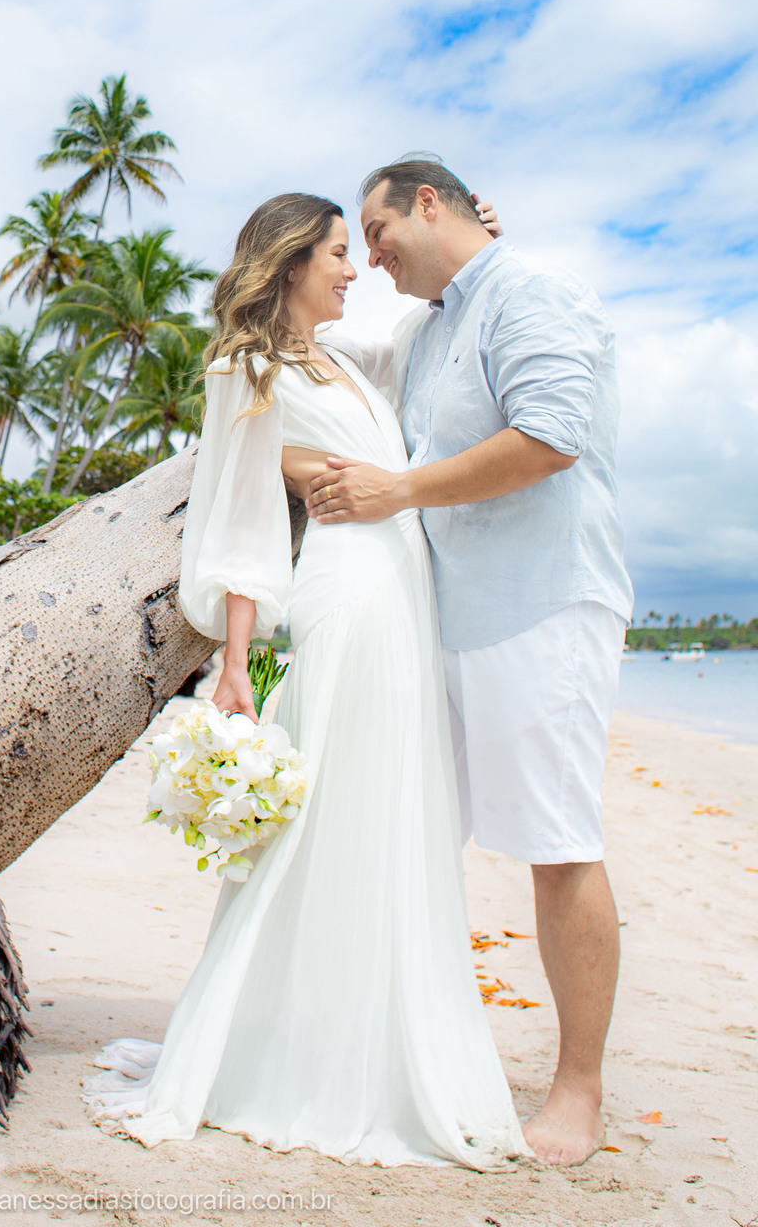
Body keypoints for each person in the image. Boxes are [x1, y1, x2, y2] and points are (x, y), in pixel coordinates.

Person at [84, 193, 528, 1167]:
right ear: (288, 263)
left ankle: (370, 1038)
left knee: (389, 816)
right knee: (331, 818)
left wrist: (476, 238)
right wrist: (236, 663)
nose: (353, 267)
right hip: (351, 596)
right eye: (336, 251)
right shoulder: (247, 365)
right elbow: (241, 514)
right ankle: (296, 1057)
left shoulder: (345, 360)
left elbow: (440, 320)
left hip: (405, 600)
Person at [306, 157, 632, 1169]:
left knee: (556, 840)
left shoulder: (533, 292)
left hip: (541, 605)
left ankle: (578, 1090)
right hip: (448, 616)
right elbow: (324, 345)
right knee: (422, 826)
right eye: (352, 244)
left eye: (376, 229)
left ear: (430, 202)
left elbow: (550, 436)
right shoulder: (432, 323)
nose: (368, 255)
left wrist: (397, 492)